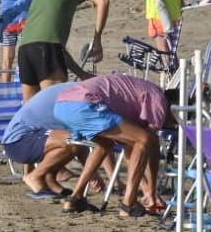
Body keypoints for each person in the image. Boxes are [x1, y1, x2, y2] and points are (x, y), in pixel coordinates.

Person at [52, 73, 170, 217]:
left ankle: (75, 198)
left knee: (105, 143)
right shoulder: (159, 99)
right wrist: (150, 191)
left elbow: (131, 148)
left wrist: (148, 190)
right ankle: (128, 204)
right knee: (144, 139)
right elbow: (148, 142)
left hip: (62, 104)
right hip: (84, 103)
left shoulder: (140, 93)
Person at [15, 0, 109, 103]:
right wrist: (97, 40)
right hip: (45, 50)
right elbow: (103, 1)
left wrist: (81, 73)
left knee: (31, 112)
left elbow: (57, 50)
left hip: (25, 50)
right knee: (57, 109)